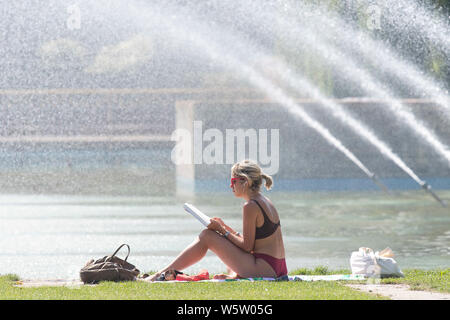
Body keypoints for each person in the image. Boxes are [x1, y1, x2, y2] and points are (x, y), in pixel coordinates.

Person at [145, 159, 287, 281]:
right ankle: (164, 272)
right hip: (276, 267)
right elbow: (256, 243)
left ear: (244, 181)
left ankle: (161, 274)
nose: (231, 186)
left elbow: (247, 247)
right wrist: (225, 227)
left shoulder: (250, 205)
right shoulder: (265, 201)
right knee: (220, 238)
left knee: (207, 236)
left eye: (233, 181)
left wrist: (221, 229)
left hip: (265, 269)